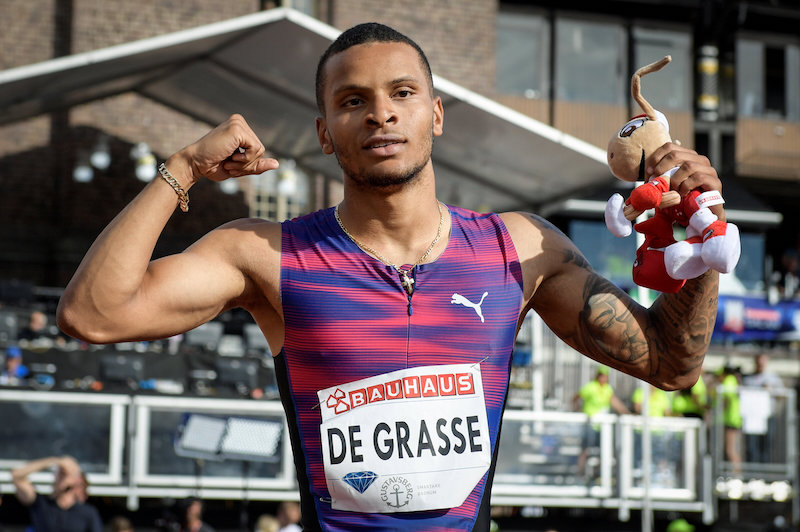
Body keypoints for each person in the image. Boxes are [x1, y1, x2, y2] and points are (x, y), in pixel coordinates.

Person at [56, 22, 724, 532]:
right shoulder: (266, 254)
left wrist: (704, 230)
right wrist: (184, 169)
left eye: (402, 93)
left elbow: (673, 363)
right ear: (325, 132)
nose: (381, 113)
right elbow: (93, 314)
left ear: (434, 114)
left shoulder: (518, 249)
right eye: (354, 101)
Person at [11, 455, 103, 532]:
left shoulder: (87, 512)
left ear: (77, 480)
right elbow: (16, 476)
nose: (62, 477)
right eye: (60, 473)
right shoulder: (41, 504)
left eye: (65, 474)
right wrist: (53, 461)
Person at [572, 366, 629, 477]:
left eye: (605, 376)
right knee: (585, 449)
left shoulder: (608, 389)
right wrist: (577, 409)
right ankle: (580, 472)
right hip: (590, 424)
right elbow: (575, 398)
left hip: (602, 427)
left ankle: (601, 474)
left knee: (605, 450)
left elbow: (615, 403)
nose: (603, 378)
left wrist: (627, 413)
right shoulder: (590, 387)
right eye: (602, 375)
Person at [742, 353, 784, 463]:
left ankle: (765, 476)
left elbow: (783, 395)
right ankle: (752, 475)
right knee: (752, 446)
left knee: (766, 446)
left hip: (768, 416)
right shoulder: (748, 379)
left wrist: (771, 390)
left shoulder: (773, 378)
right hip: (752, 418)